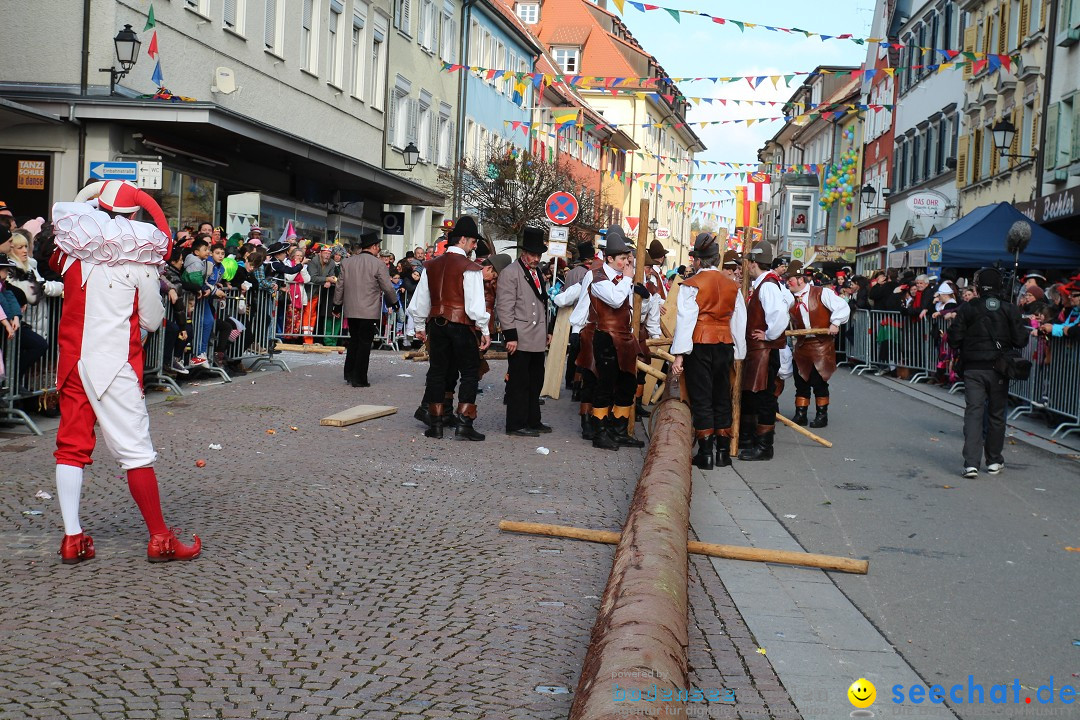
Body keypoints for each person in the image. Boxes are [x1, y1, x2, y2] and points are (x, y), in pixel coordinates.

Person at [49, 180, 200, 564]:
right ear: (135, 215)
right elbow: (151, 319)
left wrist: (87, 200)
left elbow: (60, 239)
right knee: (136, 453)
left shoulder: (70, 255)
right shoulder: (140, 264)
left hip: (72, 360)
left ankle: (72, 537)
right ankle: (160, 538)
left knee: (70, 447)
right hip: (115, 363)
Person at [407, 215, 490, 440]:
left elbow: (420, 300)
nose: (474, 246)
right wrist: (485, 329)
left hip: (437, 324)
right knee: (470, 372)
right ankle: (464, 423)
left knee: (437, 371)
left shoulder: (431, 265)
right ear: (462, 240)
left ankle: (436, 424)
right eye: (473, 241)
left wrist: (418, 325)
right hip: (461, 324)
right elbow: (474, 305)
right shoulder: (469, 267)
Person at [669, 232, 746, 469]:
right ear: (717, 259)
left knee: (701, 397)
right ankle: (722, 453)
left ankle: (706, 454)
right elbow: (739, 321)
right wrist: (739, 352)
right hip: (725, 344)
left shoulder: (691, 285)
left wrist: (679, 354)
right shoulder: (733, 286)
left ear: (698, 260)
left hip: (700, 344)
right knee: (721, 395)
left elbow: (686, 321)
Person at [570, 226, 648, 451]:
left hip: (624, 338)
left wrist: (641, 293)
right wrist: (576, 330)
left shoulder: (625, 279)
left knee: (627, 385)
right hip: (604, 336)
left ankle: (619, 430)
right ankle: (599, 432)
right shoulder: (597, 277)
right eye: (623, 258)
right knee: (603, 385)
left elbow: (631, 308)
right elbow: (614, 300)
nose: (626, 262)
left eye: (627, 258)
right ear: (610, 258)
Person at [947, 268, 1029, 479]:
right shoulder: (1009, 309)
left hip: (973, 366)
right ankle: (993, 460)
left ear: (978, 287)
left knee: (973, 413)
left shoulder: (968, 308)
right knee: (996, 414)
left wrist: (966, 344)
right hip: (998, 368)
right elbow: (1021, 339)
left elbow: (954, 337)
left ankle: (971, 463)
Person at [738, 243, 794, 462]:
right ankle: (751, 438)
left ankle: (764, 446)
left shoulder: (768, 285)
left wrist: (769, 335)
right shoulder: (769, 283)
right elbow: (788, 300)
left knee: (764, 398)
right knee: (754, 395)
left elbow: (780, 313)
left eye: (749, 263)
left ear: (753, 264)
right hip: (759, 351)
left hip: (764, 351)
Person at [498, 227, 552, 437]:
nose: (536, 258)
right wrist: (510, 336)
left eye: (538, 255)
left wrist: (547, 330)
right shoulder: (511, 273)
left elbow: (542, 304)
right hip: (520, 336)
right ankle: (516, 423)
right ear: (523, 253)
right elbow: (505, 306)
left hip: (537, 336)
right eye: (533, 254)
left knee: (536, 381)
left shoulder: (537, 272)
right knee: (519, 383)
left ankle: (533, 419)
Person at [784, 260, 850, 428]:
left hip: (821, 346)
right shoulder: (791, 300)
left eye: (790, 280)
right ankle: (800, 415)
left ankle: (822, 416)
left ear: (800, 279)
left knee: (819, 382)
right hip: (801, 346)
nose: (787, 283)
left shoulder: (821, 293)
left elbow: (842, 306)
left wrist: (835, 323)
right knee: (801, 382)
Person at [333, 229, 397, 387]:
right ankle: (359, 378)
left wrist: (337, 305)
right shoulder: (378, 264)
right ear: (374, 247)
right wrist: (393, 302)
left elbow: (340, 286)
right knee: (364, 344)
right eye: (378, 247)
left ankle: (349, 373)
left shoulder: (347, 262)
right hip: (368, 310)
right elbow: (387, 287)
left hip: (352, 309)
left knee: (354, 341)